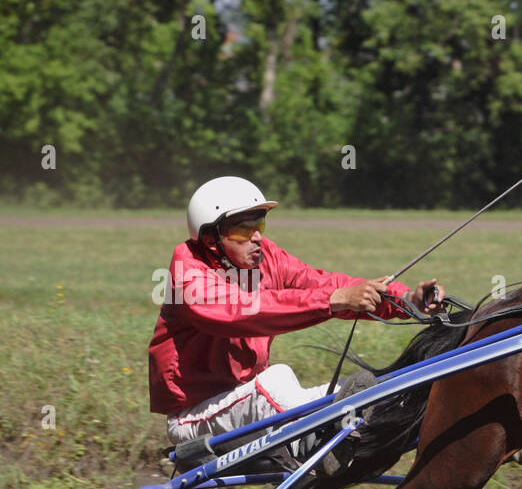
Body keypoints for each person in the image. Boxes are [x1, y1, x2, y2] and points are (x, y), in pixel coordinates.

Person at [148, 176, 444, 466]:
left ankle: (345, 436)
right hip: (195, 417)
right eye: (242, 229)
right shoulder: (189, 275)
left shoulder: (266, 258)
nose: (257, 237)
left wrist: (405, 300)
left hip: (248, 402)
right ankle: (315, 445)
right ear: (211, 238)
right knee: (277, 380)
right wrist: (333, 300)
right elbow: (245, 311)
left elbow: (321, 284)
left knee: (362, 391)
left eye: (259, 225)